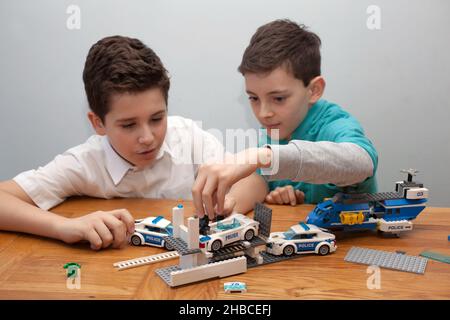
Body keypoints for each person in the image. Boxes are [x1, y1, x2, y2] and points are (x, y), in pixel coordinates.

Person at [0, 35, 251, 250]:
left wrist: (231, 203)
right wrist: (64, 226)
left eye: (157, 118)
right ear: (98, 123)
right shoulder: (84, 163)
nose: (147, 137)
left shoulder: (190, 138)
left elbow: (251, 180)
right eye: (129, 125)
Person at [193, 19, 378, 219]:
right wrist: (229, 204)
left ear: (314, 90)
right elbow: (258, 181)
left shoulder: (334, 124)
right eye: (254, 98)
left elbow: (363, 162)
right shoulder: (274, 128)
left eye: (278, 98)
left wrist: (263, 157)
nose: (264, 113)